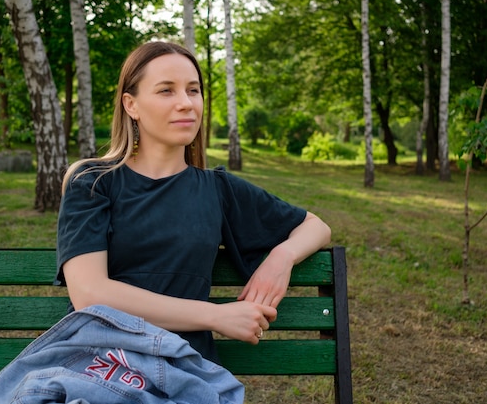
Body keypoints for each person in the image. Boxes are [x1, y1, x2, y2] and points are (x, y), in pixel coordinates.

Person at [55, 41, 331, 365]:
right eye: (166, 91)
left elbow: (316, 227)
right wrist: (214, 316)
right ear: (132, 105)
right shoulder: (93, 182)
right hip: (96, 363)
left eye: (193, 90)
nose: (186, 103)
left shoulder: (216, 190)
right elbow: (90, 294)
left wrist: (281, 257)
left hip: (180, 370)